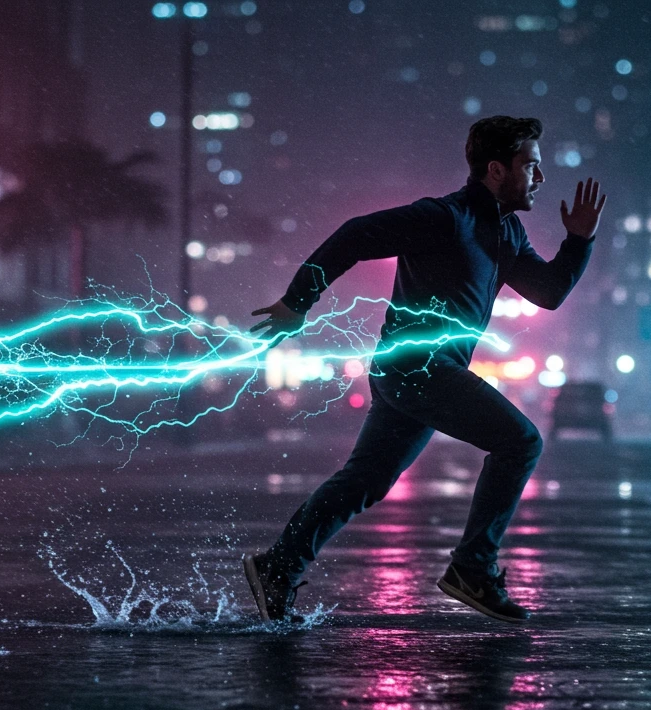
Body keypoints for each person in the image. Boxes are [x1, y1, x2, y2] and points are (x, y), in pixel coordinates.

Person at [243, 116, 605, 623]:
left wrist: (578, 241)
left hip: (419, 374)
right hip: (419, 371)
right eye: (531, 166)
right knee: (521, 442)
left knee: (366, 478)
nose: (540, 178)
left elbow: (547, 293)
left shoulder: (507, 231)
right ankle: (472, 570)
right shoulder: (443, 217)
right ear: (497, 170)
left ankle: (279, 566)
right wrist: (298, 301)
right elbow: (355, 234)